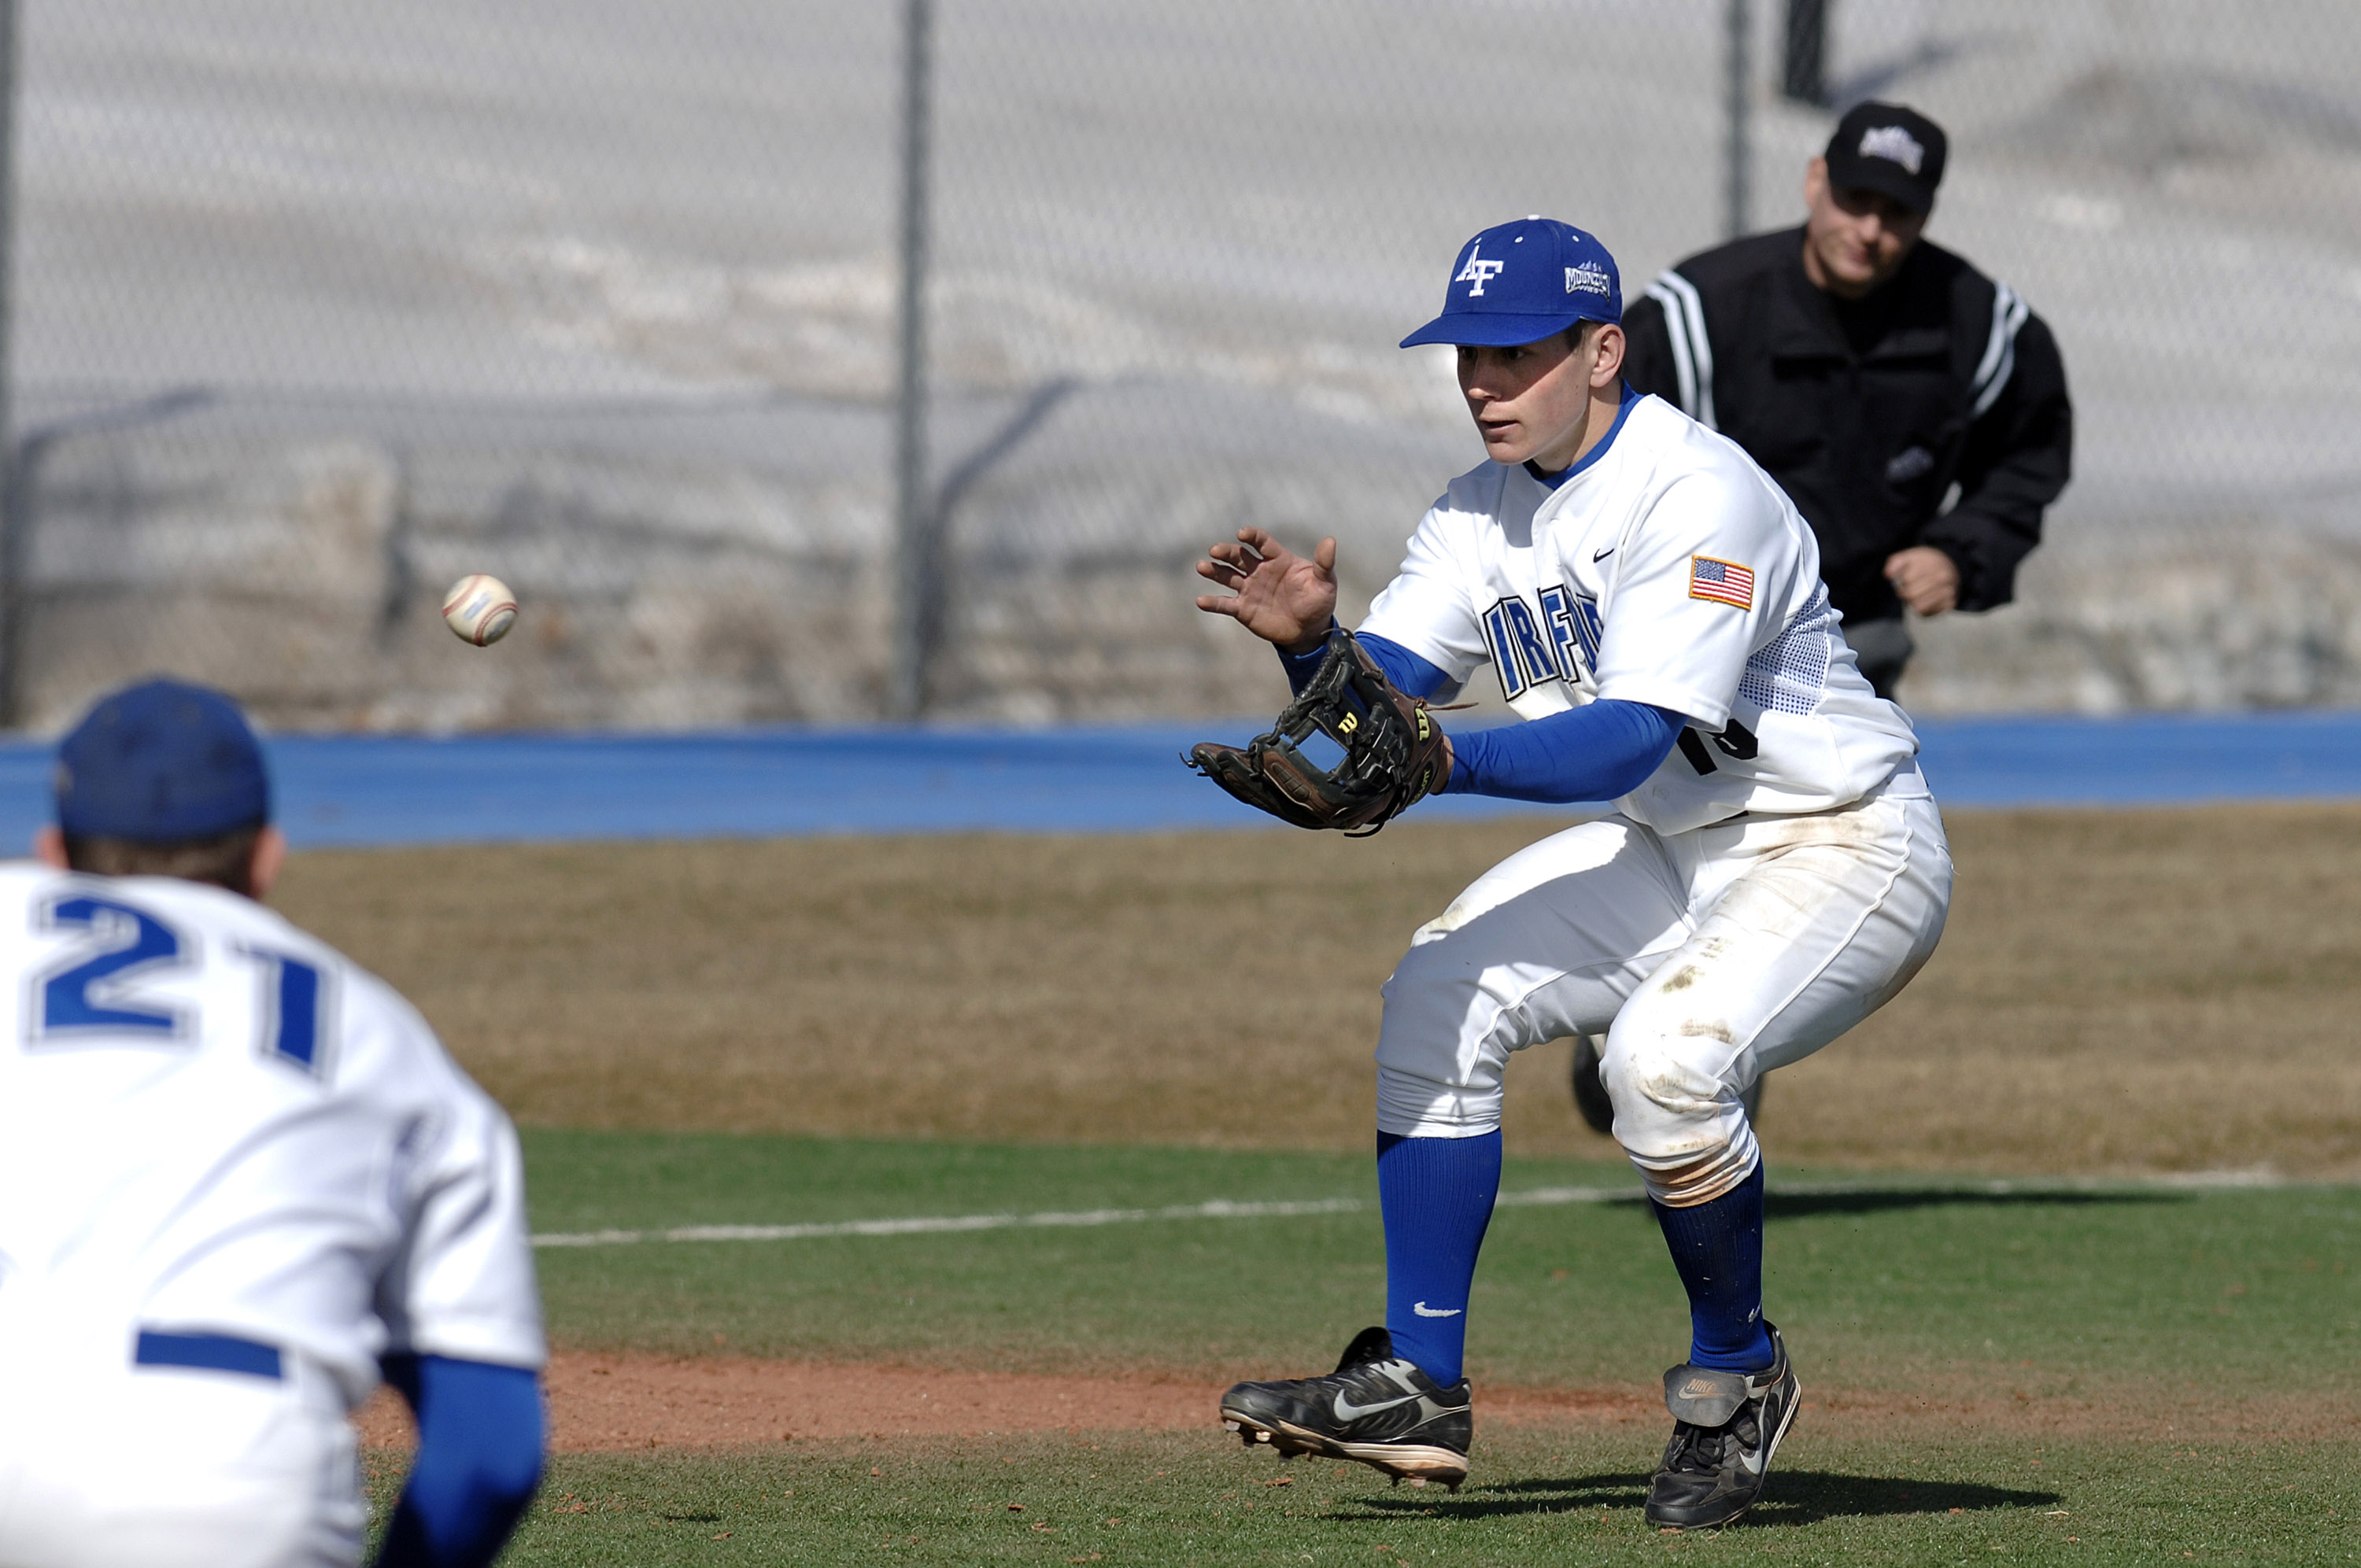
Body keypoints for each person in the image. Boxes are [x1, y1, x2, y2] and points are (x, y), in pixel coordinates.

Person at [1197, 218, 1952, 1529]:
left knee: (1661, 1065)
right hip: (1677, 845)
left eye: (1516, 354)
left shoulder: (1695, 490)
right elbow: (1386, 703)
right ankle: (1417, 1383)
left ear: (1602, 351)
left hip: (1840, 839)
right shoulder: (1475, 511)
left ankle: (1736, 1376)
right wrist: (1315, 651)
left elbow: (1628, 735)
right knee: (1439, 988)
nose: (1484, 382)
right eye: (1468, 356)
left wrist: (1441, 761)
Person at [0, 679, 547, 1568]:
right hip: (233, 1472)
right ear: (267, 858)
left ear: (52, 852)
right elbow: (490, 1446)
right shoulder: (381, 1033)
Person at [1623, 101, 2073, 702]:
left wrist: (1960, 554)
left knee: (1865, 761)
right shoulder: (1699, 312)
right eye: (1856, 199)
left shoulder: (1980, 324)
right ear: (1816, 181)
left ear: (1926, 216)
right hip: (1699, 626)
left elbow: (2027, 455)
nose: (1869, 231)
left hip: (1853, 636)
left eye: (1897, 213)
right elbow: (1603, 444)